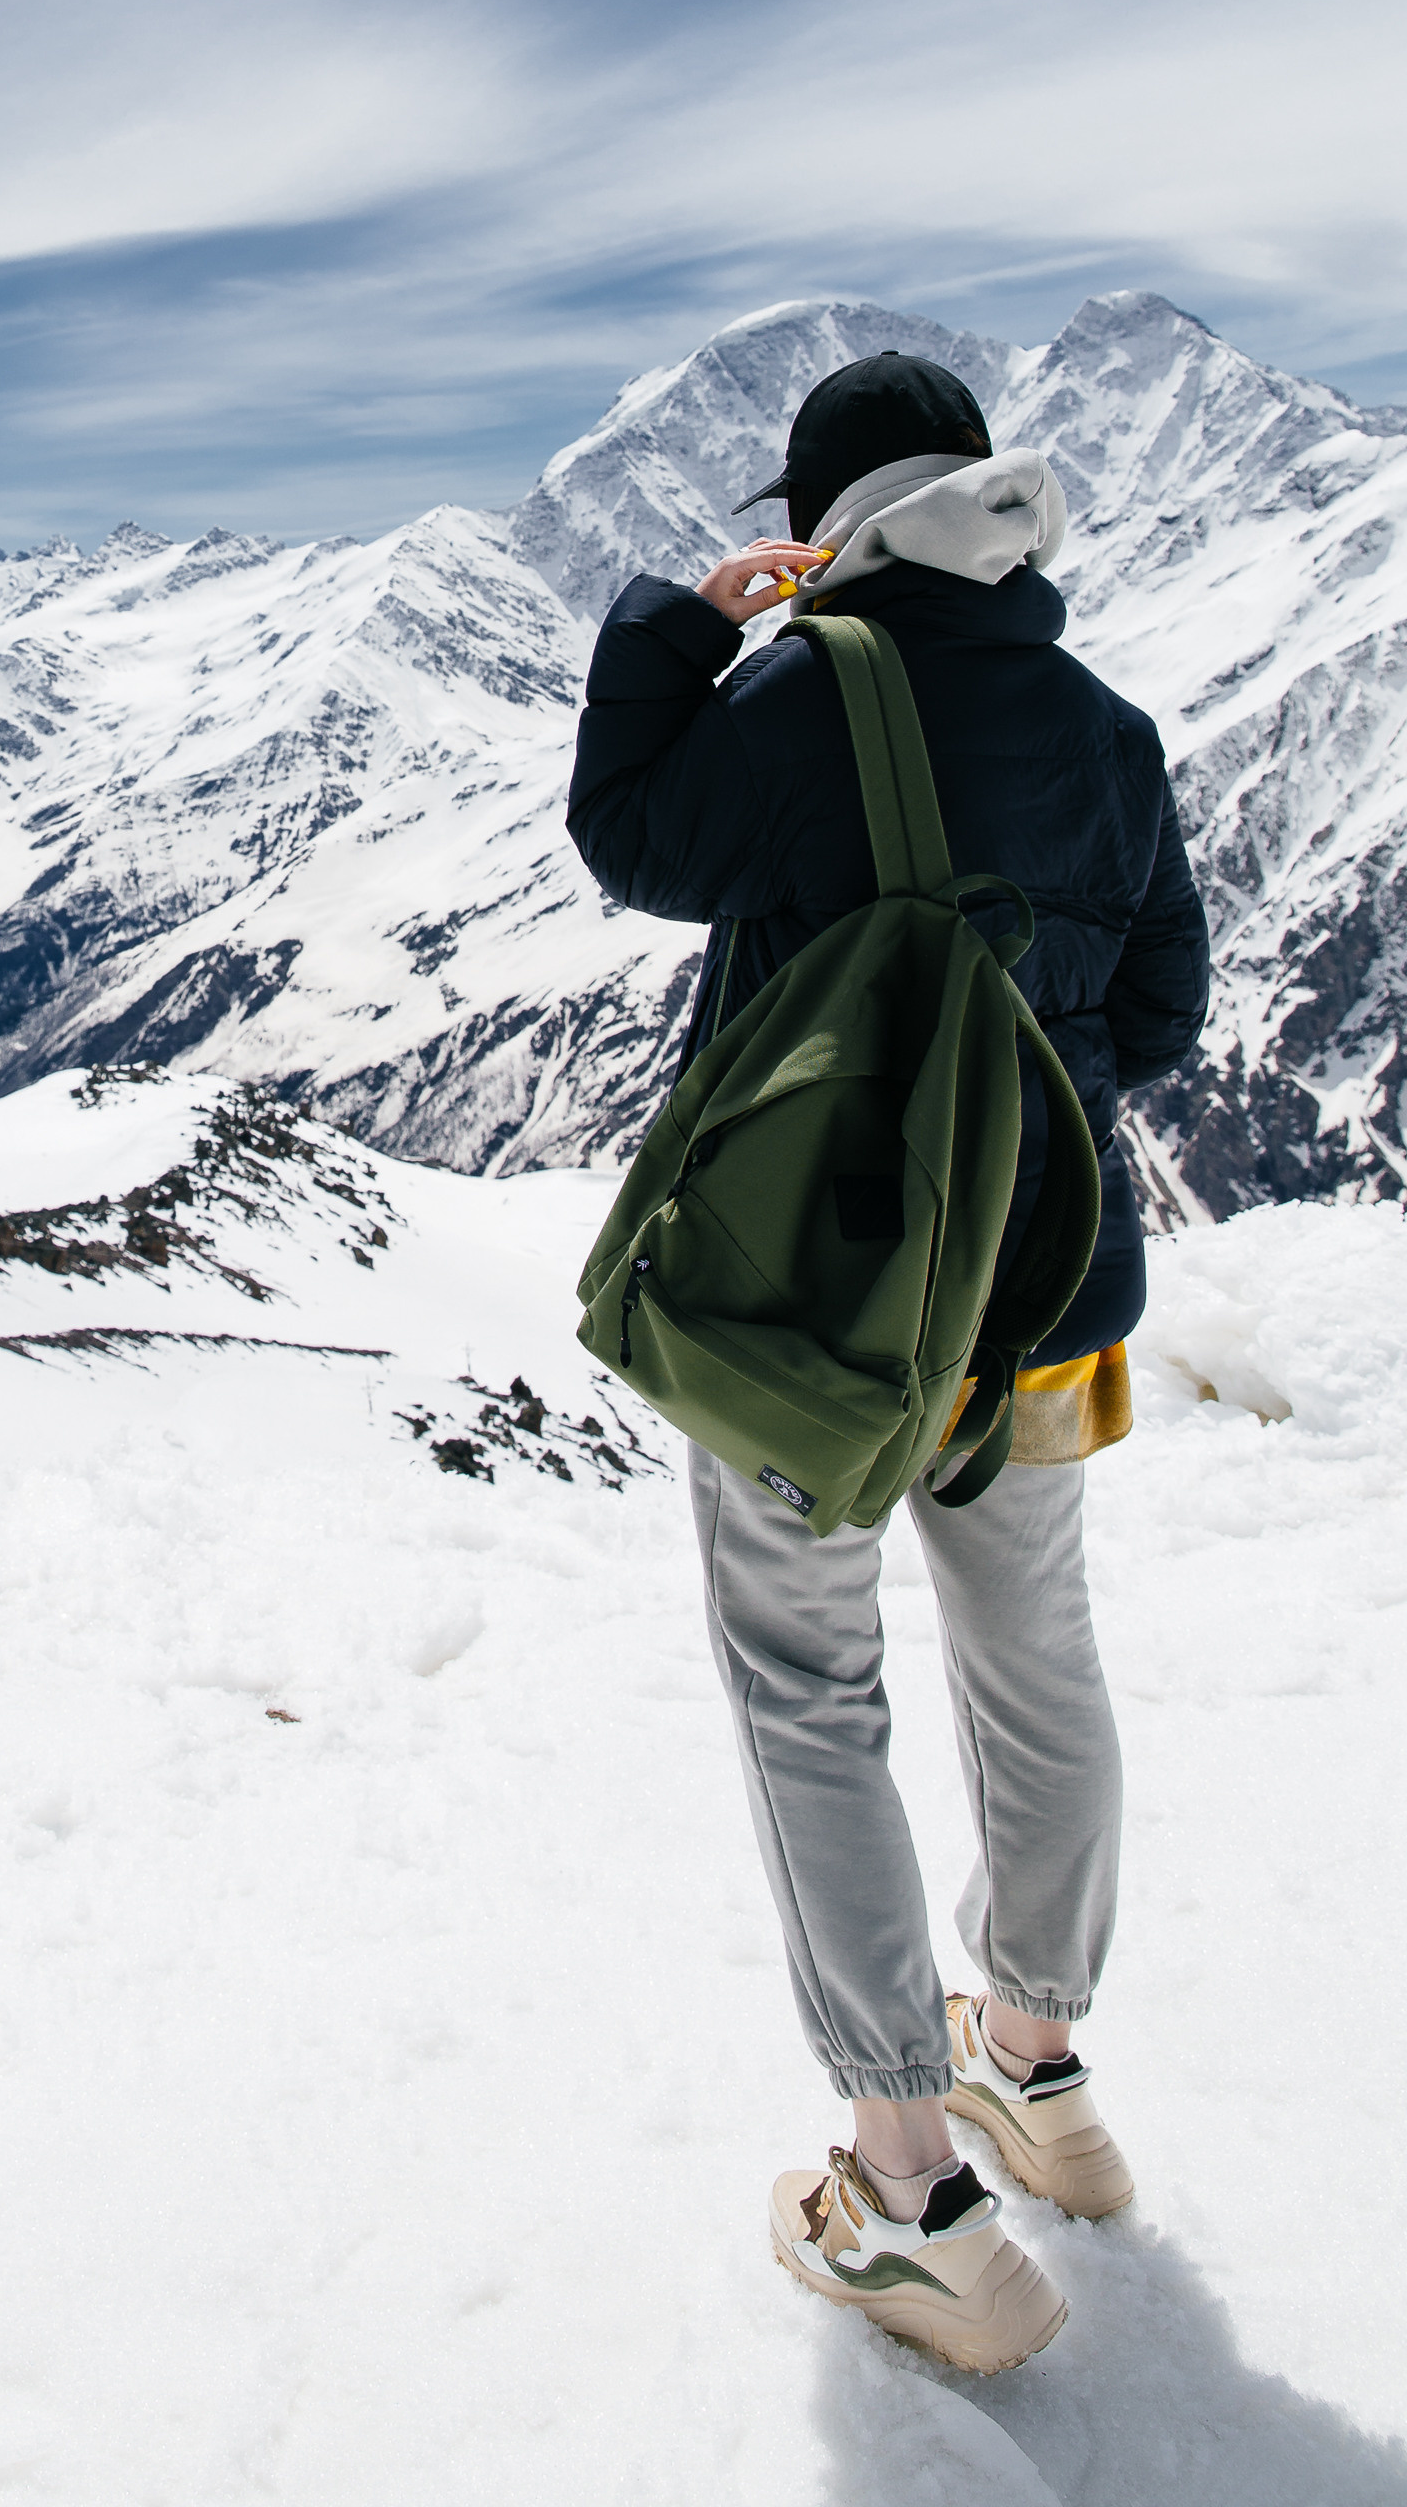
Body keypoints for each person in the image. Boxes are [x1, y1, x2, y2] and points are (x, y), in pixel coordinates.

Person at [566, 348, 1210, 2374]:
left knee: (806, 1689)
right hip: (1033, 1305)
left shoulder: (797, 696)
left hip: (816, 1320)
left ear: (821, 518)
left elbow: (630, 841)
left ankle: (906, 2186)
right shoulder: (1107, 732)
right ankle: (1033, 2061)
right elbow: (1165, 1017)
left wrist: (675, 621)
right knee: (1034, 1662)